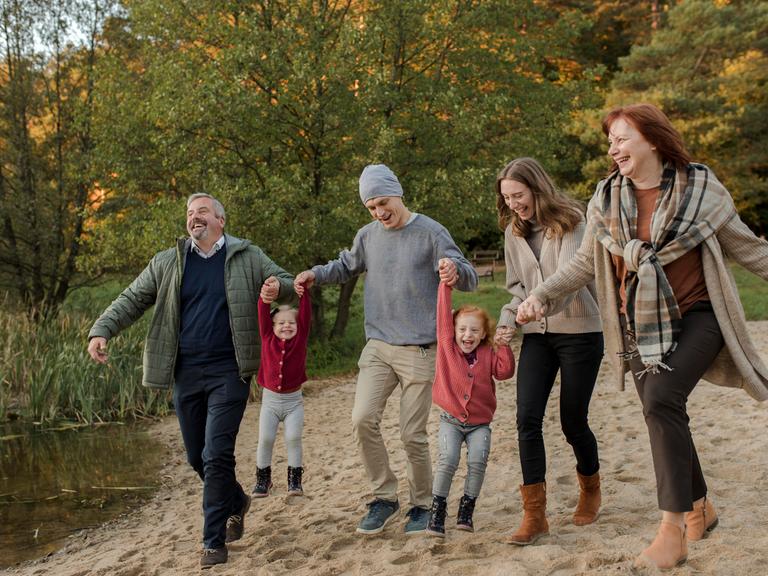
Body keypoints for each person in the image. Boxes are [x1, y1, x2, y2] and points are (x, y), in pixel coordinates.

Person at [516, 104, 768, 570]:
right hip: (639, 323)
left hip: (699, 315)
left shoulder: (701, 190)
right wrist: (542, 296)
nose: (613, 148)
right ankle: (701, 507)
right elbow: (585, 264)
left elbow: (752, 251)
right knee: (663, 410)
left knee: (661, 399)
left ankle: (671, 529)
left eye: (621, 137)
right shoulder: (606, 199)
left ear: (652, 139)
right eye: (609, 140)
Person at [87, 193, 294, 569]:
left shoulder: (247, 256)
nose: (193, 217)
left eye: (201, 211)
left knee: (217, 455)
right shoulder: (169, 262)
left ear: (220, 220)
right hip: (186, 371)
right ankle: (236, 500)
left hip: (230, 371)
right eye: (189, 213)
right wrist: (102, 329)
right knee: (197, 458)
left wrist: (276, 289)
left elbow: (287, 282)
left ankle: (212, 541)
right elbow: (133, 298)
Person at [294, 164, 478, 536]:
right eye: (371, 207)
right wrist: (316, 274)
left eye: (382, 202)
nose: (379, 212)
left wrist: (452, 270)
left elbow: (468, 275)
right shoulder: (368, 236)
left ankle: (422, 505)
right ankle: (384, 498)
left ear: (398, 193)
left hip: (420, 351)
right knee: (362, 419)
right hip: (378, 346)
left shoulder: (430, 232)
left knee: (412, 434)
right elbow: (344, 266)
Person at [494, 158, 604, 546]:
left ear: (537, 188)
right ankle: (534, 514)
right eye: (507, 198)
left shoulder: (573, 219)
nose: (513, 205)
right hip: (537, 336)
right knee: (526, 418)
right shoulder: (513, 232)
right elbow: (517, 288)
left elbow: (575, 276)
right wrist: (510, 318)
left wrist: (541, 302)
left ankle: (590, 487)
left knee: (573, 421)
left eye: (518, 196)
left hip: (580, 331)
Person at [425, 265, 515, 537]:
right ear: (453, 331)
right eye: (462, 329)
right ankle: (437, 509)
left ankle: (467, 509)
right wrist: (446, 285)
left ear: (483, 333)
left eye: (474, 331)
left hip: (480, 424)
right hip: (450, 420)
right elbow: (443, 317)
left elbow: (504, 372)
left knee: (478, 460)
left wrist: (505, 346)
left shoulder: (488, 352)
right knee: (448, 459)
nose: (468, 335)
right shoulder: (447, 346)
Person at [252, 276, 311, 498]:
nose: (287, 325)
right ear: (272, 325)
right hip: (270, 402)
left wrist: (303, 290)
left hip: (293, 402)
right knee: (265, 439)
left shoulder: (300, 338)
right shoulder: (267, 337)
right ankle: (262, 480)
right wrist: (265, 293)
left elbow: (305, 313)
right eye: (281, 322)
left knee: (293, 438)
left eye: (292, 322)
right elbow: (262, 309)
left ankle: (295, 481)